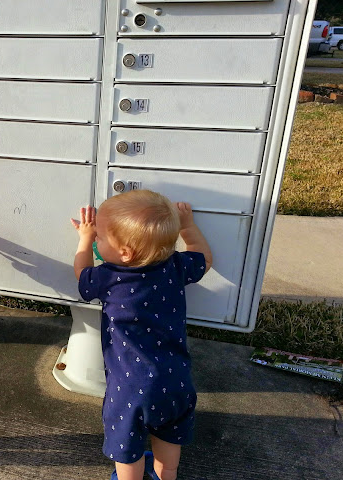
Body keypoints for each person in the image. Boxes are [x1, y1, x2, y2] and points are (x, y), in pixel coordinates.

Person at [71, 190, 212, 480]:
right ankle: (166, 475)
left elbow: (81, 273)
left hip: (130, 388)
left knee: (128, 450)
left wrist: (84, 238)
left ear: (125, 253)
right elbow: (204, 259)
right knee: (169, 442)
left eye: (100, 237)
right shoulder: (175, 266)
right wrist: (187, 226)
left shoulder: (108, 277)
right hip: (176, 381)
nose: (96, 239)